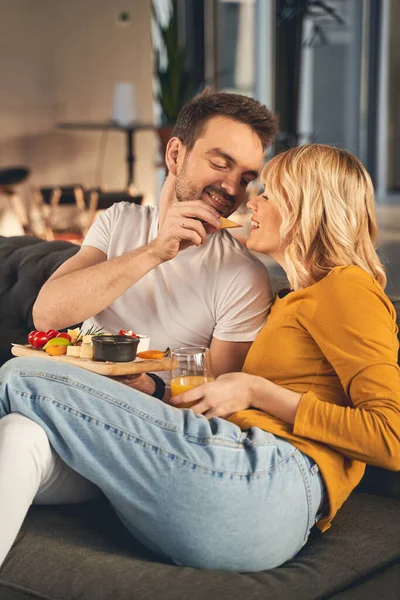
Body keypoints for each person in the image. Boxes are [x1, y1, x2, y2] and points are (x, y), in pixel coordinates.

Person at [1, 144, 399, 572]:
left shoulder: (347, 288)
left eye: (267, 191)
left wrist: (255, 390)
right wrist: (155, 387)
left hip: (267, 482)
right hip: (235, 500)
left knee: (21, 376)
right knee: (19, 429)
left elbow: (391, 435)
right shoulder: (291, 301)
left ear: (308, 207)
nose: (252, 201)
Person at [33, 90, 278, 396]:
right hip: (74, 394)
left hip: (148, 420)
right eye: (219, 164)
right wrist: (155, 252)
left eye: (245, 180)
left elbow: (217, 396)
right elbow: (46, 316)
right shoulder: (119, 220)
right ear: (175, 155)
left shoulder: (243, 273)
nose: (231, 188)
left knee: (15, 380)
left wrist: (150, 385)